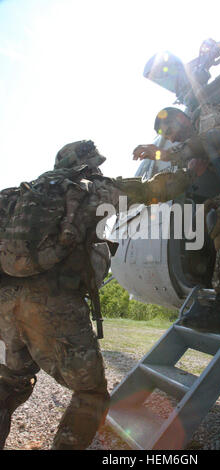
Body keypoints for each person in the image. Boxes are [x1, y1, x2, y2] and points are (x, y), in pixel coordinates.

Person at [0, 141, 126, 450]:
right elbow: (134, 195)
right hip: (52, 304)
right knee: (91, 393)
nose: (98, 168)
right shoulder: (88, 190)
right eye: (94, 163)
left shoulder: (21, 197)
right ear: (84, 165)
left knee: (11, 380)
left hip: (6, 302)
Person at [133, 101, 220, 335]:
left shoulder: (210, 113)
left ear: (183, 120)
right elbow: (189, 170)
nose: (172, 138)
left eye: (170, 131)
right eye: (167, 137)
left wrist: (166, 153)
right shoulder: (194, 144)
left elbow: (218, 138)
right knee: (208, 208)